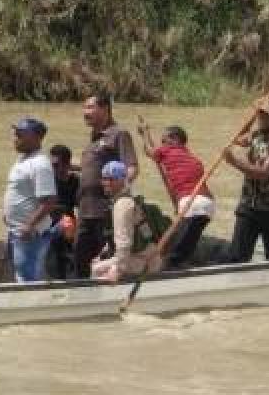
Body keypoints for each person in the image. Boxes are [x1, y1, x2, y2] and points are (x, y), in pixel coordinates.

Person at [75, 94, 139, 277]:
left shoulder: (119, 134)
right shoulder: (94, 138)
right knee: (81, 257)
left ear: (105, 109)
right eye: (84, 108)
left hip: (105, 211)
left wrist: (117, 199)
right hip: (85, 209)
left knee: (105, 259)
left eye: (89, 107)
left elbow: (132, 168)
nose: (84, 113)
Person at [223, 99, 269, 262]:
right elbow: (238, 138)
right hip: (248, 207)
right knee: (237, 258)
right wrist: (252, 117)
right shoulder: (256, 135)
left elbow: (262, 173)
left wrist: (234, 161)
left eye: (265, 116)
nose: (261, 118)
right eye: (260, 114)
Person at [141, 124, 216, 269]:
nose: (162, 144)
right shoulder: (191, 157)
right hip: (207, 204)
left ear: (175, 139)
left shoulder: (168, 150)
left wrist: (144, 134)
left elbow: (150, 151)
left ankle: (169, 270)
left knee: (175, 253)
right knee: (186, 245)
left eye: (164, 140)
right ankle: (182, 265)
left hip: (192, 203)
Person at [3, 117, 59, 283]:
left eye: (20, 134)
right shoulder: (23, 160)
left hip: (30, 234)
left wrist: (29, 224)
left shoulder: (40, 164)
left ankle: (34, 308)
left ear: (36, 138)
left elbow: (49, 200)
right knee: (22, 275)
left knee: (29, 279)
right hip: (18, 231)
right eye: (15, 133)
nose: (15, 137)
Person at [89, 161, 163, 283]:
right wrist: (103, 254)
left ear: (121, 180)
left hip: (143, 260)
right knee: (98, 262)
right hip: (148, 257)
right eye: (103, 178)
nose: (105, 183)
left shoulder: (122, 205)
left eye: (110, 179)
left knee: (96, 270)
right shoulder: (128, 200)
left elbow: (124, 242)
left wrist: (118, 269)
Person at [45, 144, 80, 278]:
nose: (51, 168)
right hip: (49, 228)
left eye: (55, 164)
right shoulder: (48, 181)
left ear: (66, 164)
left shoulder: (75, 182)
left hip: (68, 228)